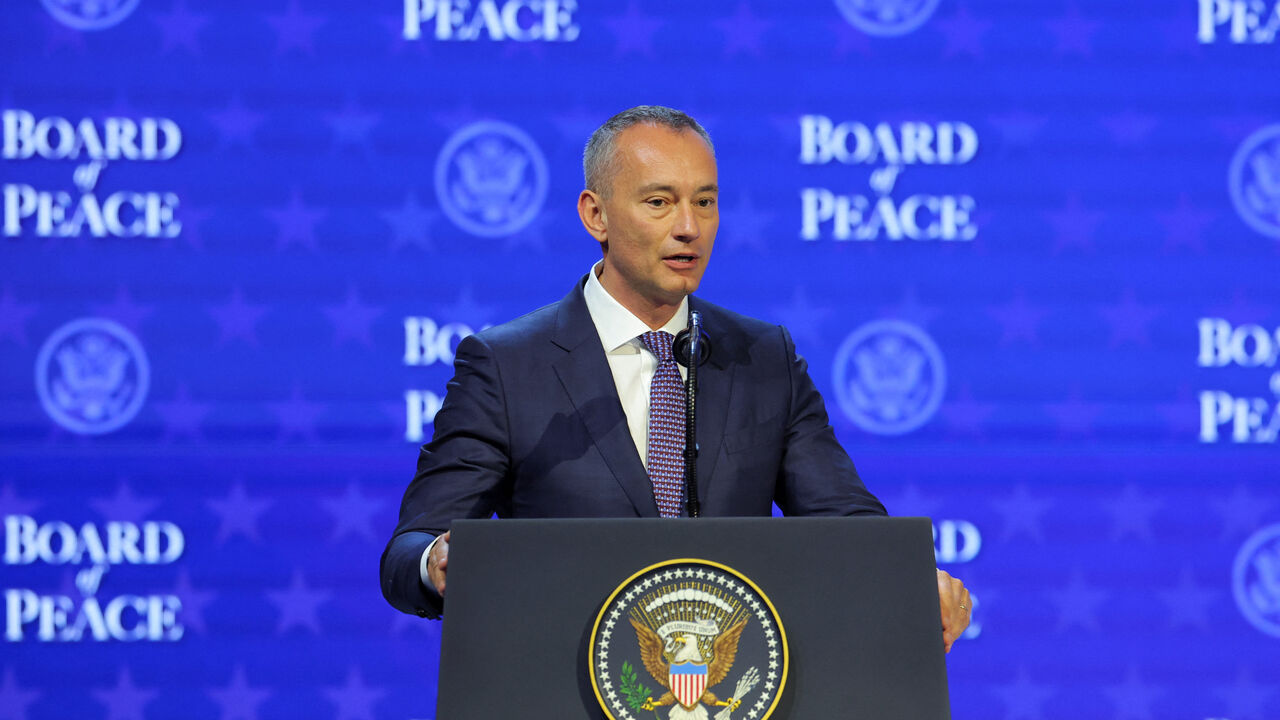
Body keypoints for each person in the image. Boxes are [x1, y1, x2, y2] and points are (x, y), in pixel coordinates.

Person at [380, 105, 971, 651]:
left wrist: (907, 579)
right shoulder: (507, 365)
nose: (689, 226)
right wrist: (438, 562)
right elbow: (410, 549)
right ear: (596, 214)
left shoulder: (764, 358)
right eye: (659, 202)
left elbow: (846, 524)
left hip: (732, 686)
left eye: (705, 202)